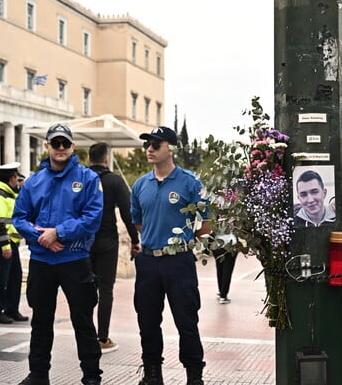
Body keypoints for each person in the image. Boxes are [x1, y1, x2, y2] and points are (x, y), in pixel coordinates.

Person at [12, 123, 104, 385]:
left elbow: (92, 218)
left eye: (65, 143)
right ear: (47, 146)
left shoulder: (88, 179)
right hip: (42, 260)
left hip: (74, 260)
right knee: (40, 321)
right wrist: (44, 238)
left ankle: (91, 376)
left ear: (73, 146)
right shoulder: (33, 182)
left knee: (83, 320)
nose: (60, 148)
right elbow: (19, 218)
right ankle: (38, 374)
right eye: (56, 143)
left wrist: (59, 233)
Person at [130, 126, 210, 385]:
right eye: (147, 145)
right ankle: (152, 373)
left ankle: (194, 375)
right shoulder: (140, 185)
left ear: (171, 148)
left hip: (179, 262)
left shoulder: (190, 182)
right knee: (148, 321)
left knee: (187, 320)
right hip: (148, 261)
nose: (150, 149)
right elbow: (139, 222)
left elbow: (206, 222)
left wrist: (186, 242)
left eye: (156, 144)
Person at [88, 142, 141, 353]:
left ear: (90, 158)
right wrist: (135, 239)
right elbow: (128, 214)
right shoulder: (115, 181)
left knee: (85, 288)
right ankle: (102, 338)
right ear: (106, 158)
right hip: (107, 241)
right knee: (106, 289)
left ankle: (86, 335)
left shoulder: (82, 179)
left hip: (83, 241)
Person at [0, 162, 28, 324]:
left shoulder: (10, 194)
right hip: (1, 242)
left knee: (15, 277)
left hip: (11, 242)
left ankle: (11, 309)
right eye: (16, 178)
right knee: (0, 278)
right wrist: (5, 246)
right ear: (11, 178)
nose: (17, 181)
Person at [212, 233, 238, 304]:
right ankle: (223, 295)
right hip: (231, 244)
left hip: (217, 245)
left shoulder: (213, 221)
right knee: (228, 270)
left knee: (219, 268)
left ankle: (221, 291)